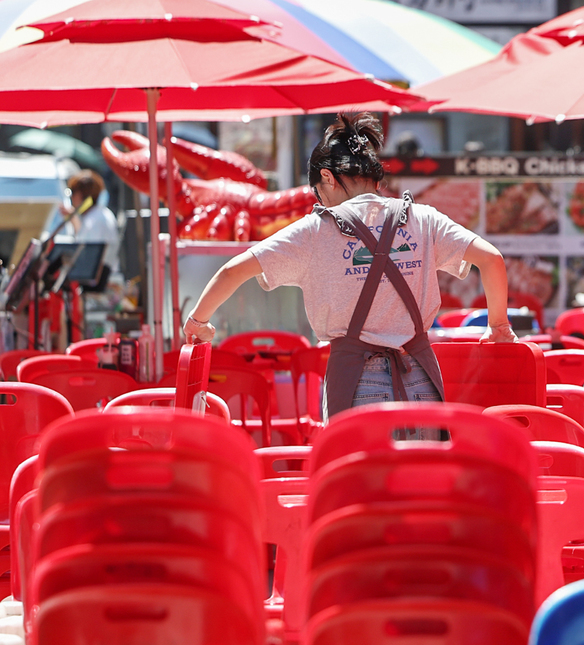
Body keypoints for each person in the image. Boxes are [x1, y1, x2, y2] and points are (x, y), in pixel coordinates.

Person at [182, 113, 515, 417]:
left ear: (328, 177)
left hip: (356, 388)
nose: (321, 203)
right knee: (421, 479)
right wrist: (498, 327)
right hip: (422, 385)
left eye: (319, 194)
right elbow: (492, 260)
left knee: (356, 482)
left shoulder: (315, 230)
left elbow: (233, 270)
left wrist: (199, 321)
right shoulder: (423, 219)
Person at [58, 169, 121, 282]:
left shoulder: (95, 220)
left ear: (79, 195)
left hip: (99, 284)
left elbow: (87, 261)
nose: (71, 198)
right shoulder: (98, 215)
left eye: (72, 192)